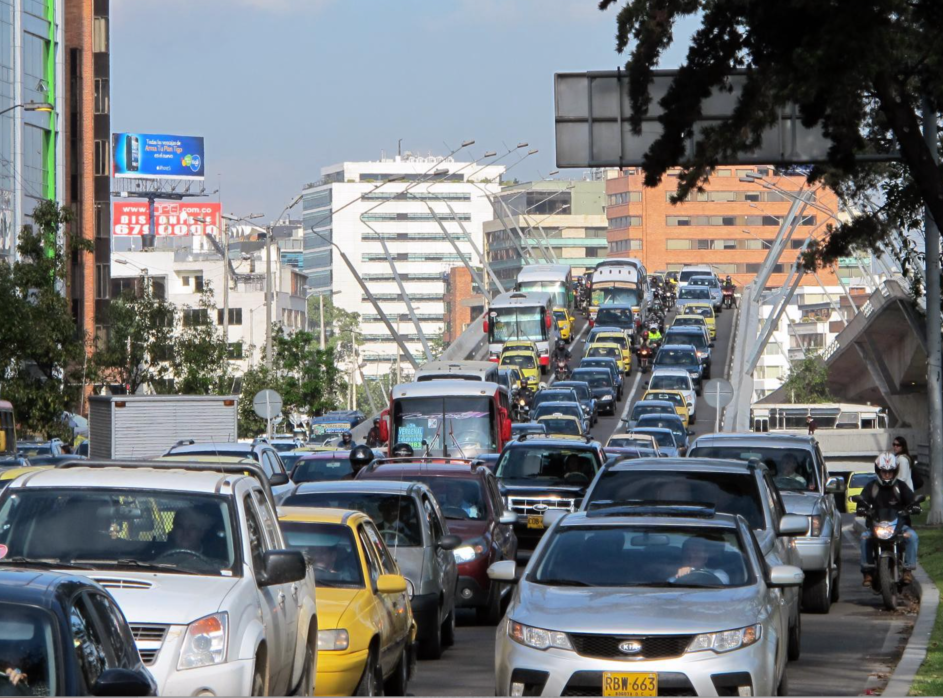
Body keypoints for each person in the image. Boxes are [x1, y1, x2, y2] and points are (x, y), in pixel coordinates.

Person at [859, 453, 919, 586]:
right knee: (864, 537)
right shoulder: (871, 487)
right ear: (878, 471)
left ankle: (908, 570)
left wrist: (915, 506)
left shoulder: (901, 487)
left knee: (912, 536)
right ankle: (867, 571)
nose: (887, 475)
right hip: (876, 526)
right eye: (884, 471)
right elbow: (862, 500)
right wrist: (861, 507)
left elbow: (912, 500)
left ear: (895, 471)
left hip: (899, 527)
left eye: (890, 472)